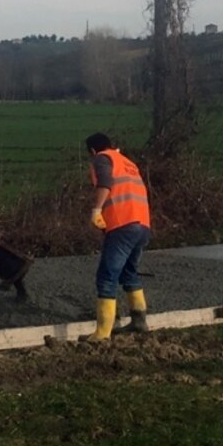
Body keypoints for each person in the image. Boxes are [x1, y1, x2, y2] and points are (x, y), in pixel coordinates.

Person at [82, 132, 152, 342]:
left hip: (123, 225)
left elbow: (105, 183)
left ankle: (102, 333)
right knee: (129, 272)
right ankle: (139, 321)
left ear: (93, 151)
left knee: (107, 276)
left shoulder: (102, 159)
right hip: (143, 225)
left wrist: (96, 210)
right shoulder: (127, 162)